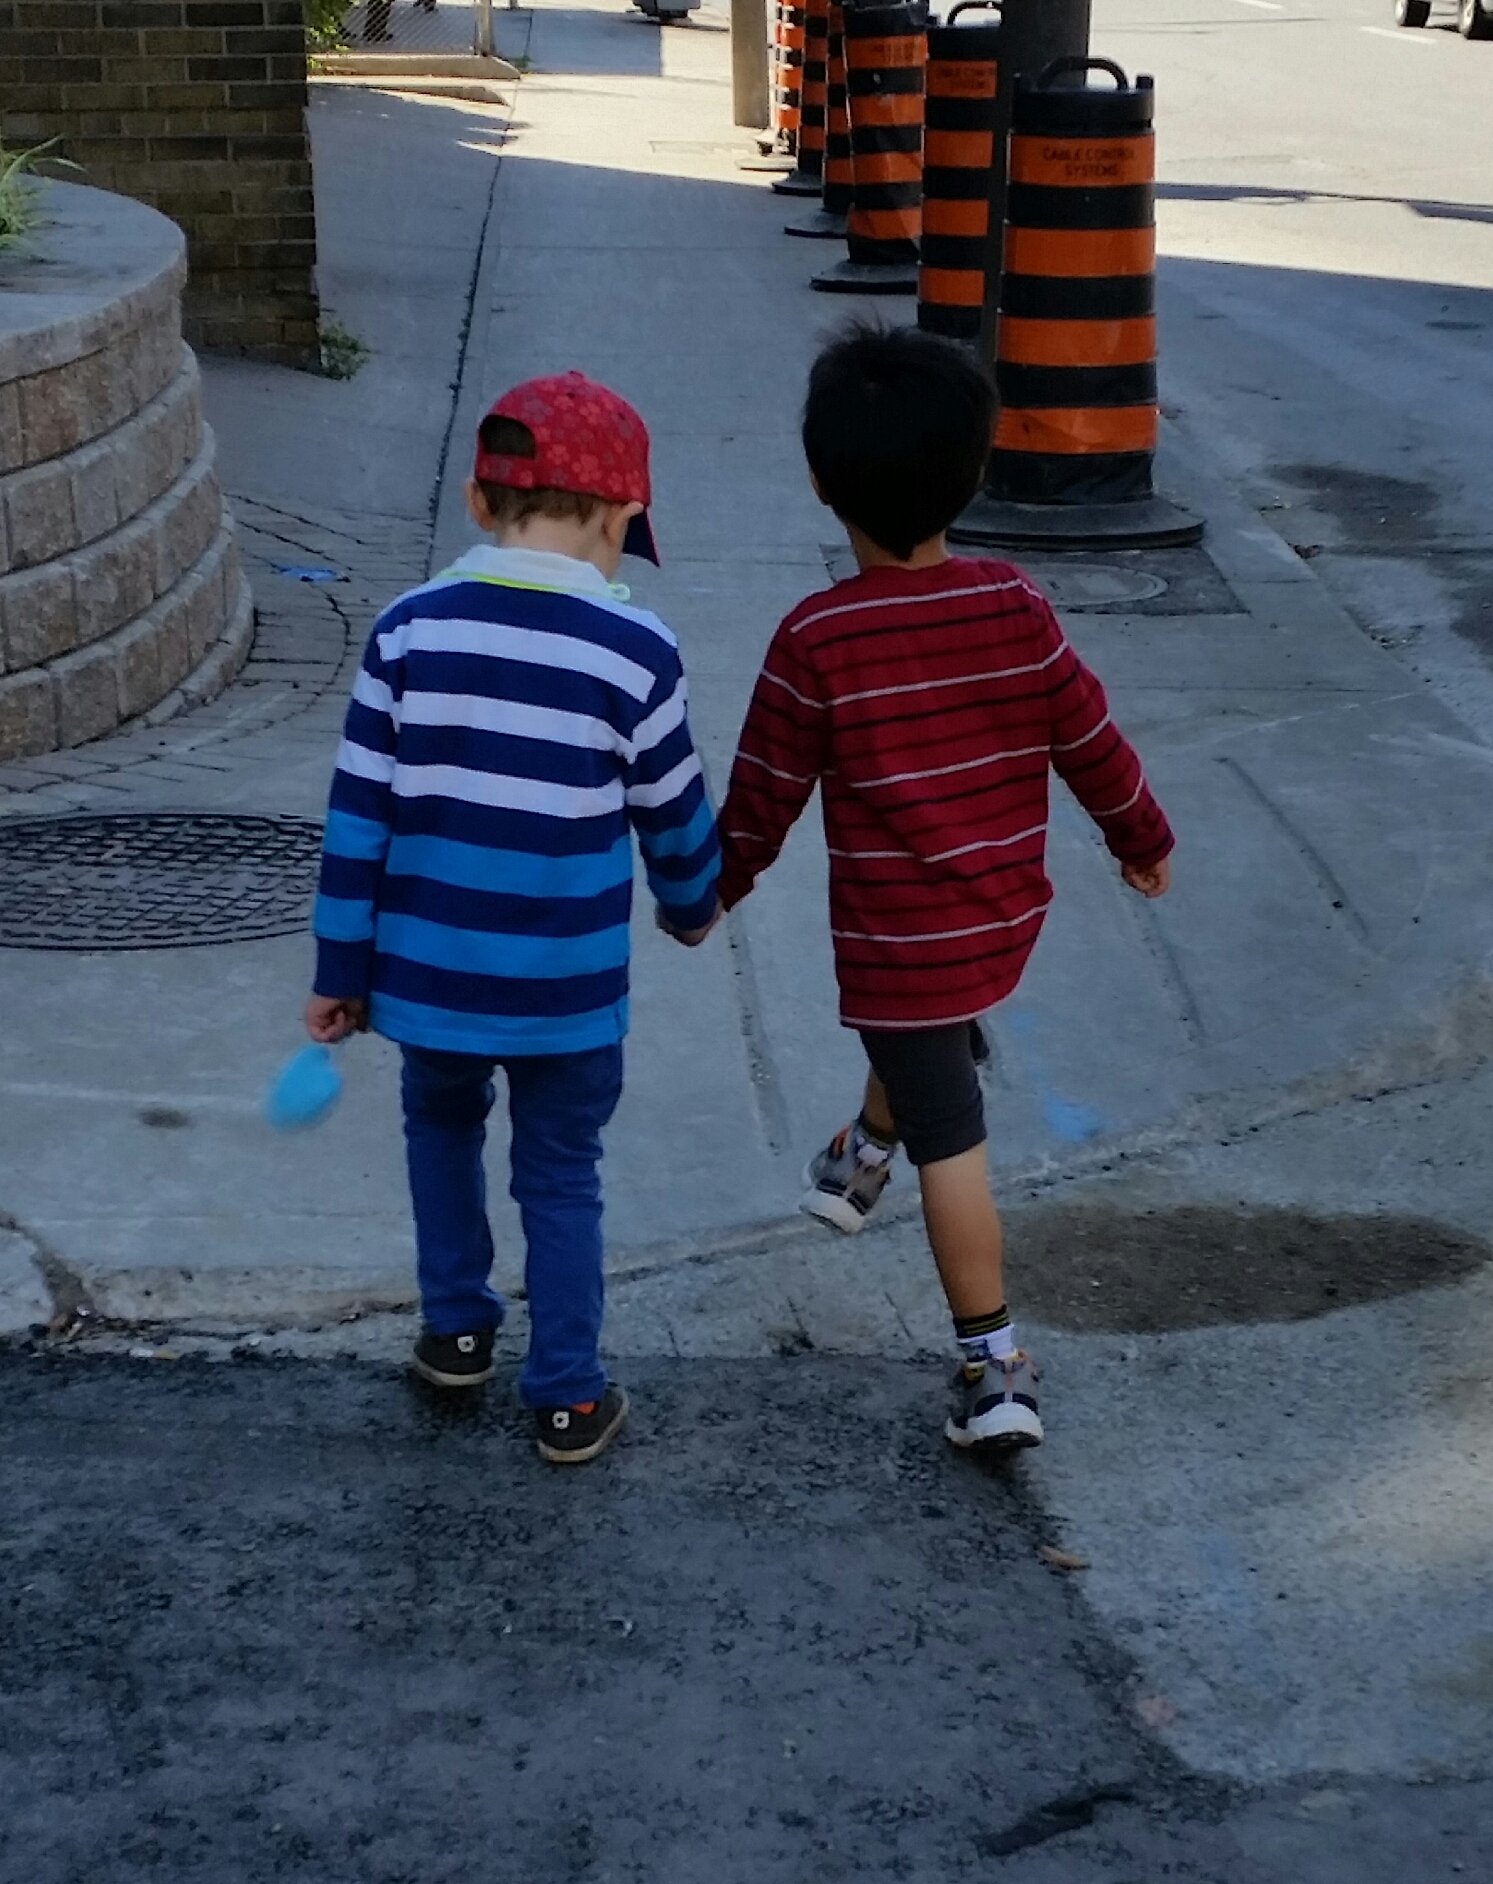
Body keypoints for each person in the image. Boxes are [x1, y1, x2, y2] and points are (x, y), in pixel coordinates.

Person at [711, 324, 1173, 1452]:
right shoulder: (1014, 605)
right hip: (997, 915)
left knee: (951, 1141)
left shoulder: (817, 638)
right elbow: (1089, 737)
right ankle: (861, 1157)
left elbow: (762, 794)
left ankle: (993, 1363)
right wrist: (1140, 835)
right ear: (973, 473)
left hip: (899, 939)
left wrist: (705, 889)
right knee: (925, 1035)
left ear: (820, 482)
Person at [304, 371, 720, 1465]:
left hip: (429, 976)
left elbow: (357, 818)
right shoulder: (636, 651)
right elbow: (672, 809)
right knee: (561, 1170)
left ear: (478, 502)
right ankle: (568, 1395)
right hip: (565, 988)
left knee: (440, 1130)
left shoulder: (405, 633)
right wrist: (690, 907)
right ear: (623, 519)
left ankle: (455, 1330)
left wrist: (341, 968)